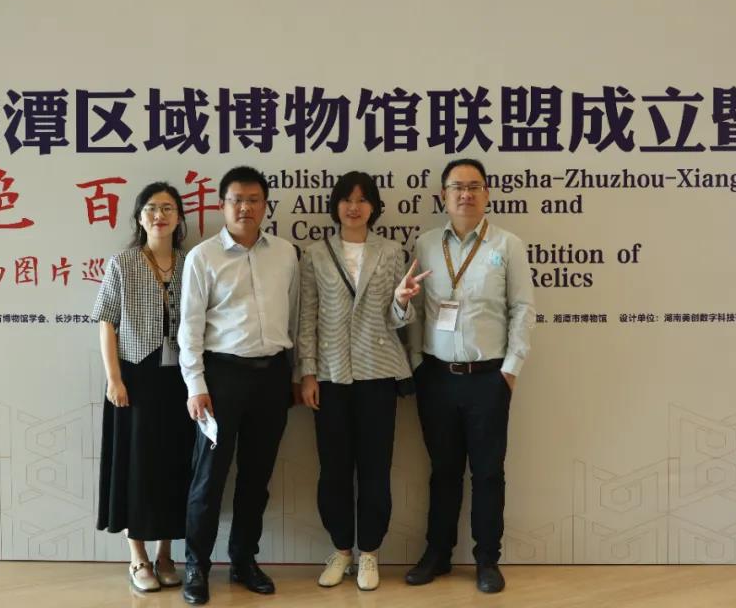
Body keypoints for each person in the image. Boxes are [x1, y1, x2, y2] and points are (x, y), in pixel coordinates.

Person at [403, 158, 535, 594]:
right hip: (436, 377)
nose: (465, 194)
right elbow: (416, 307)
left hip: (488, 379)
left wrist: (510, 369)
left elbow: (523, 309)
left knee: (487, 473)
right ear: (443, 195)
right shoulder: (425, 244)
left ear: (487, 193)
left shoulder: (508, 245)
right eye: (457, 187)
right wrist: (418, 363)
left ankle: (486, 559)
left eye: (474, 186)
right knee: (442, 471)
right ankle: (437, 554)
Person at [297, 171, 427, 591]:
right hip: (331, 376)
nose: (354, 207)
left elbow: (397, 319)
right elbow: (307, 318)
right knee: (333, 470)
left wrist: (401, 301)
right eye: (346, 199)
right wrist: (308, 372)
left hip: (378, 373)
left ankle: (369, 552)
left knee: (375, 469)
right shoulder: (315, 254)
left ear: (374, 207)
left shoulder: (391, 252)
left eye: (363, 199)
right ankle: (341, 551)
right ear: (335, 205)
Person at [178, 166, 300, 606]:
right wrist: (195, 384)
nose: (245, 207)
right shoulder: (203, 257)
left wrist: (296, 375)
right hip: (221, 379)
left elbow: (295, 317)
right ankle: (196, 566)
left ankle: (243, 560)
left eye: (253, 200)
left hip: (272, 378)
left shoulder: (285, 254)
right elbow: (189, 327)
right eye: (236, 200)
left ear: (265, 205)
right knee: (209, 478)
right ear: (222, 205)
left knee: (256, 476)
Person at [93, 182, 196, 594]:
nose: (160, 215)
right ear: (140, 217)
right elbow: (106, 321)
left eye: (168, 208)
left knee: (173, 464)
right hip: (135, 377)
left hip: (180, 380)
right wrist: (114, 378)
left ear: (179, 217)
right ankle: (137, 556)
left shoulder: (191, 263)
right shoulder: (123, 263)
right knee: (135, 466)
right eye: (151, 208)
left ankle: (166, 554)